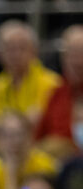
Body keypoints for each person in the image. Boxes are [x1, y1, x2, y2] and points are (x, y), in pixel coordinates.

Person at [0, 21, 62, 141]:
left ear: (34, 51)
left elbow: (42, 122)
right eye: (10, 48)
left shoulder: (53, 84)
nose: (15, 54)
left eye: (22, 48)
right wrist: (23, 120)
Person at [34, 26, 83, 160]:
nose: (77, 61)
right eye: (71, 54)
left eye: (81, 54)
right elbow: (38, 139)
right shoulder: (56, 93)